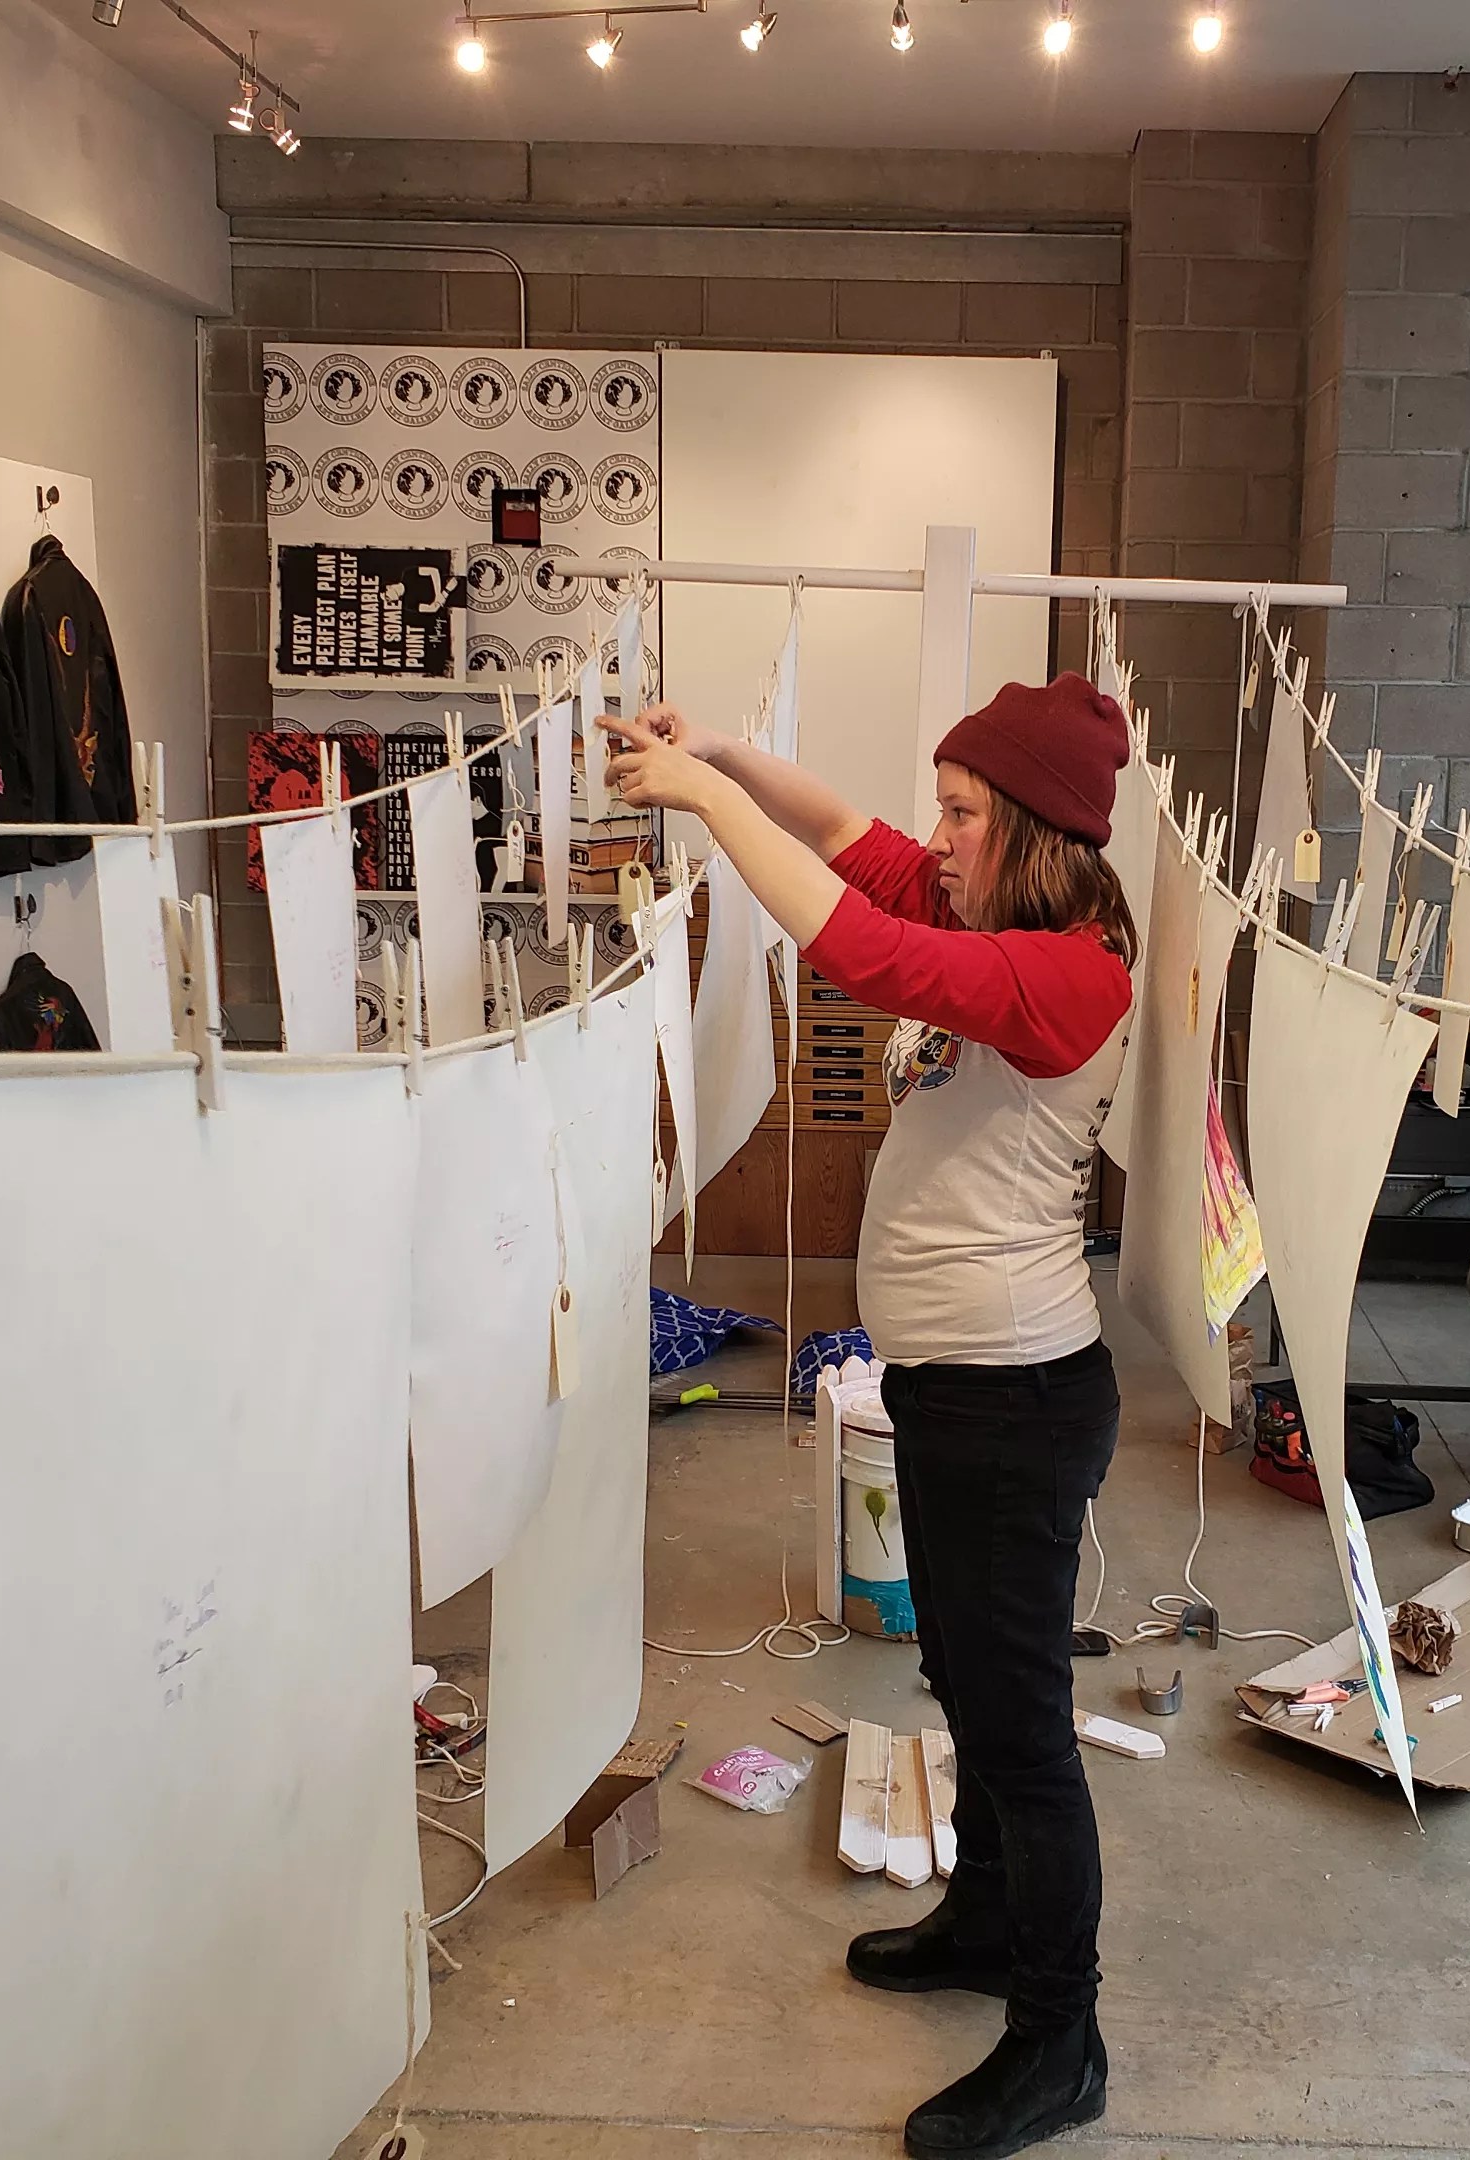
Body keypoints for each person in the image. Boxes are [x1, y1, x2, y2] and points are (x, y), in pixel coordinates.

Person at [602, 673, 1137, 2160]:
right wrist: (727, 751)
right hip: (956, 1389)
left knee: (1023, 1734)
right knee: (963, 1678)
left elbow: (856, 944)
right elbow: (843, 834)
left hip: (1020, 1399)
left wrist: (705, 802)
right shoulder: (990, 909)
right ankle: (987, 1920)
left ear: (1031, 828)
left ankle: (1062, 2040)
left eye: (964, 813)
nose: (938, 836)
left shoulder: (1071, 976)